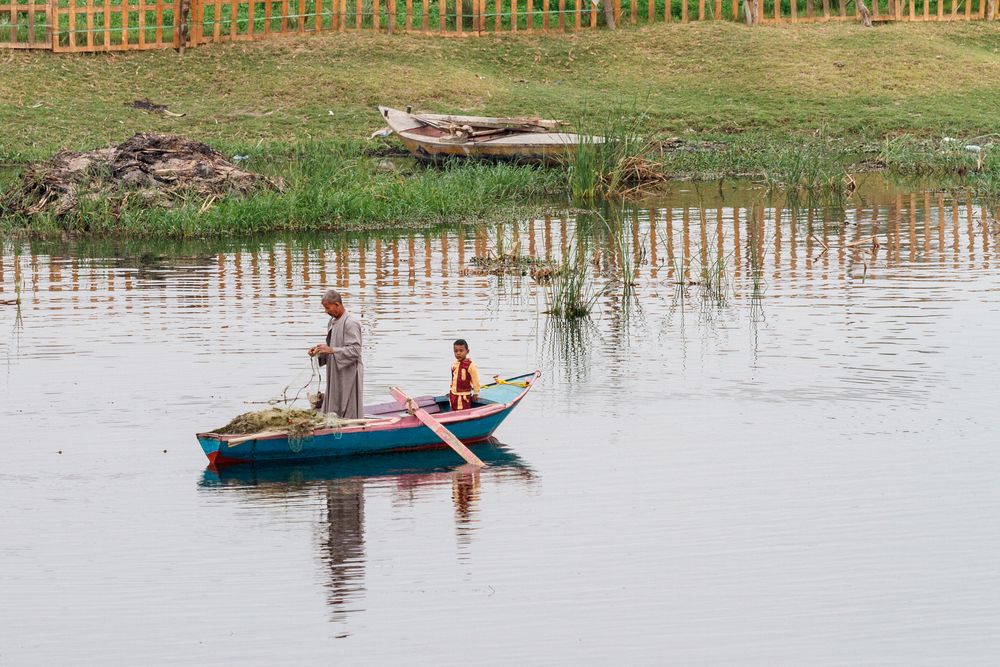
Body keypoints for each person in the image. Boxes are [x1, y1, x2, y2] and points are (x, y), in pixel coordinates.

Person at [308, 290, 364, 419]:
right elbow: (331, 346)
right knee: (334, 397)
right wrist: (318, 351)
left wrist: (332, 350)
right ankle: (333, 421)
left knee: (348, 402)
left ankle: (350, 426)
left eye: (327, 307)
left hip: (349, 371)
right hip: (335, 369)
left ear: (337, 304)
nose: (326, 311)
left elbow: (356, 350)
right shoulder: (332, 322)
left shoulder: (351, 323)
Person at [449, 339, 481, 412]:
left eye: (461, 351)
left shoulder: (470, 365)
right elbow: (453, 379)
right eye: (456, 351)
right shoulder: (454, 364)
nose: (458, 353)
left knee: (462, 412)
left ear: (467, 351)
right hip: (453, 394)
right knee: (452, 411)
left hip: (463, 395)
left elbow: (475, 380)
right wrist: (451, 390)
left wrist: (476, 393)